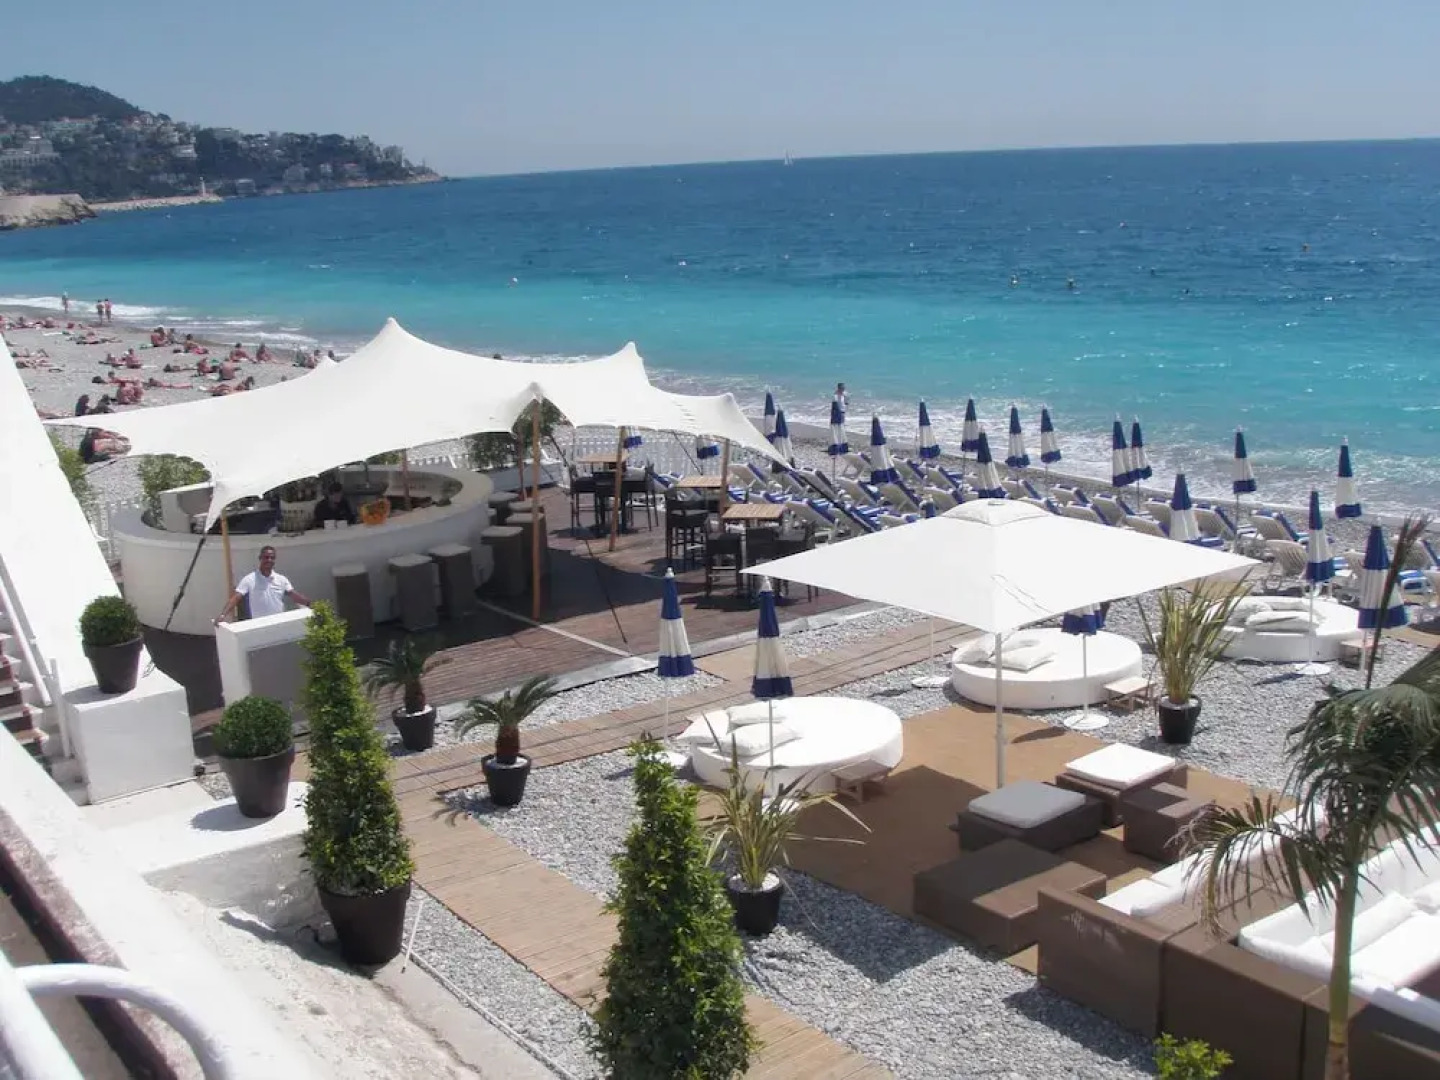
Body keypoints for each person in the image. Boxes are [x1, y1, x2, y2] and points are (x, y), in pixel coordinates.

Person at [215, 546, 310, 624]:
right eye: (266, 557)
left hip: (279, 623)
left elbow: (294, 596)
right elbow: (235, 598)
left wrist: (311, 604)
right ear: (260, 558)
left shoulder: (282, 579)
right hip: (259, 625)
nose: (269, 560)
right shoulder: (249, 579)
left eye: (272, 558)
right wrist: (223, 615)